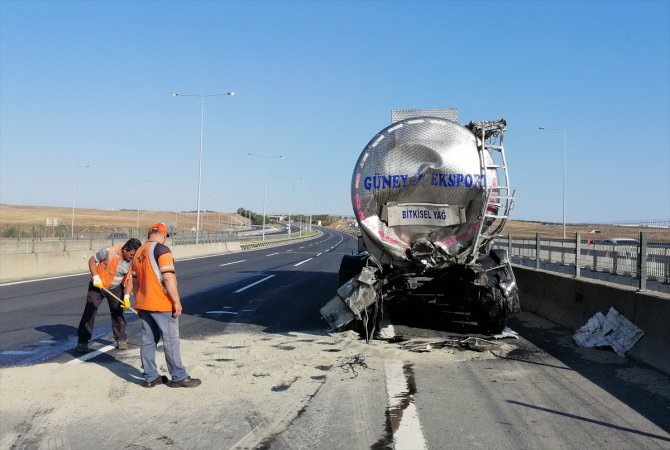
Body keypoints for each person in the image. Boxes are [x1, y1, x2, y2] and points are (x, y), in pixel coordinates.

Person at [131, 223, 200, 388]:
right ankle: (178, 376)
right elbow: (168, 278)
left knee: (148, 341)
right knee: (171, 340)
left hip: (144, 303)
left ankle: (150, 377)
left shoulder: (138, 252)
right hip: (161, 303)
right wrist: (176, 301)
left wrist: (138, 303)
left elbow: (134, 281)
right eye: (165, 236)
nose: (165, 239)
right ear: (162, 234)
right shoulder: (162, 250)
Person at [76, 238, 142, 353]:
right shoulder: (108, 251)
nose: (133, 257)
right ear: (125, 249)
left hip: (115, 288)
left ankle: (121, 339)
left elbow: (130, 279)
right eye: (131, 254)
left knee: (118, 313)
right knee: (90, 312)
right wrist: (95, 277)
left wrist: (126, 297)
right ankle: (83, 341)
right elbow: (92, 260)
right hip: (98, 286)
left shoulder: (133, 260)